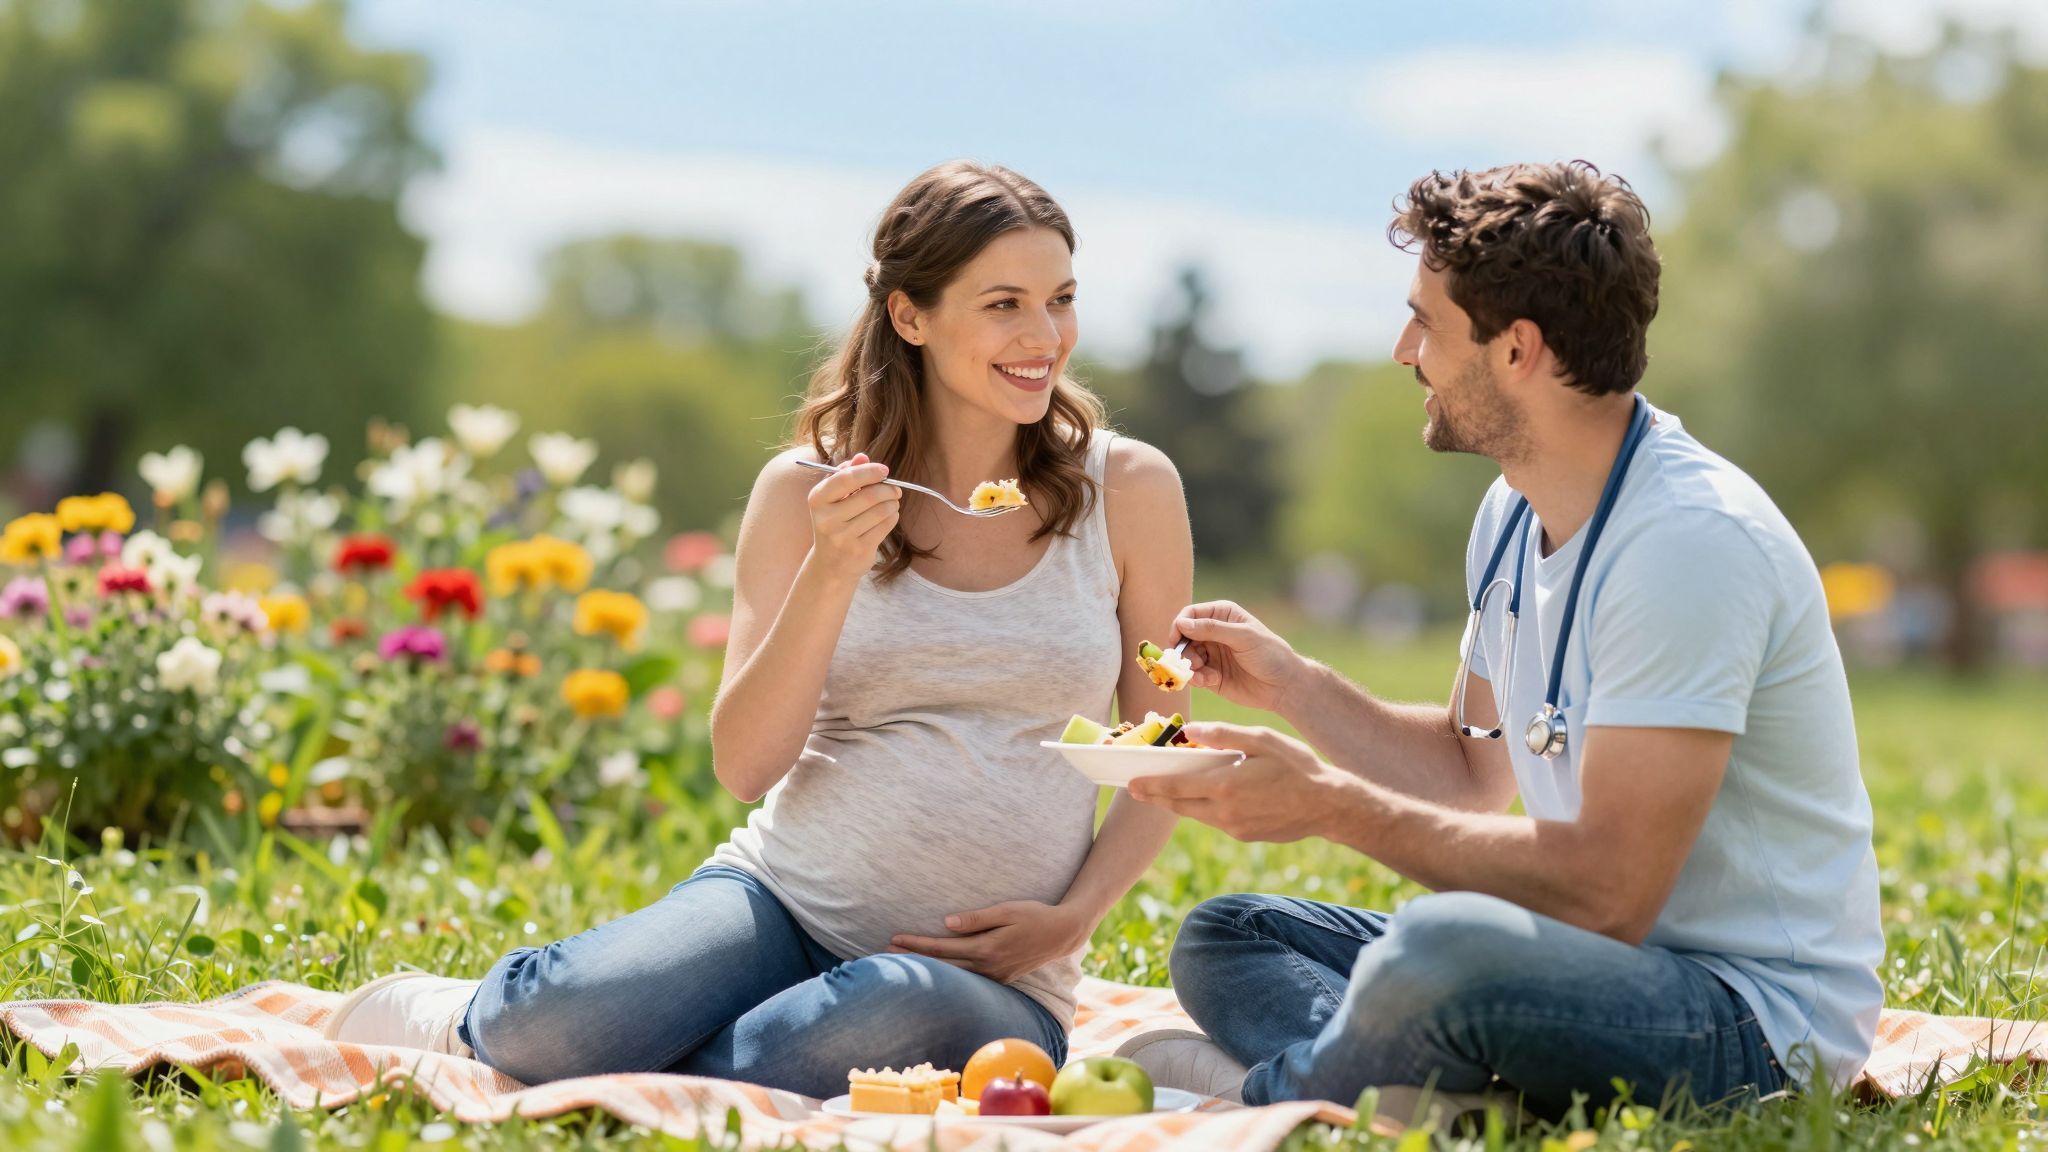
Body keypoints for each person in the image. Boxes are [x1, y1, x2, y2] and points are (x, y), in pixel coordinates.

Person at [321, 161, 1191, 1099]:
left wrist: (1073, 921)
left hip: (987, 981)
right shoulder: (803, 493)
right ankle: (476, 1021)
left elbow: (1165, 752)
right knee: (560, 1022)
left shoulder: (1131, 492)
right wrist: (832, 570)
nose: (1044, 337)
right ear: (910, 316)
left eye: (1061, 299)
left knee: (892, 1011)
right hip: (779, 902)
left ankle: (624, 1056)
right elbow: (745, 765)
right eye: (1004, 304)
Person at [1125, 161, 1883, 1119]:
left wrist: (1328, 805)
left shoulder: (1690, 543)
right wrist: (1294, 686)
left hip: (1747, 1023)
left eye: (1427, 324)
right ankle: (1417, 1092)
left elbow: (1609, 892)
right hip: (1586, 966)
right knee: (1229, 935)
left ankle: (1264, 1102)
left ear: (1518, 349)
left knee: (1435, 957)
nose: (1406, 349)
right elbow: (1471, 771)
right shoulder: (1514, 511)